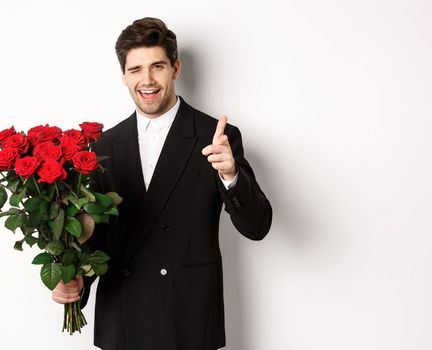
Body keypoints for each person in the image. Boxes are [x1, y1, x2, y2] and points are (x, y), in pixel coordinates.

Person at [50, 17, 272, 350]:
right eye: (136, 69)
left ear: (176, 68)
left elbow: (257, 226)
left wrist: (231, 176)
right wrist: (75, 283)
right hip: (123, 318)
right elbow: (96, 236)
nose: (148, 80)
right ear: (124, 76)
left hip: (187, 319)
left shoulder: (215, 136)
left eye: (157, 66)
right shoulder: (103, 146)